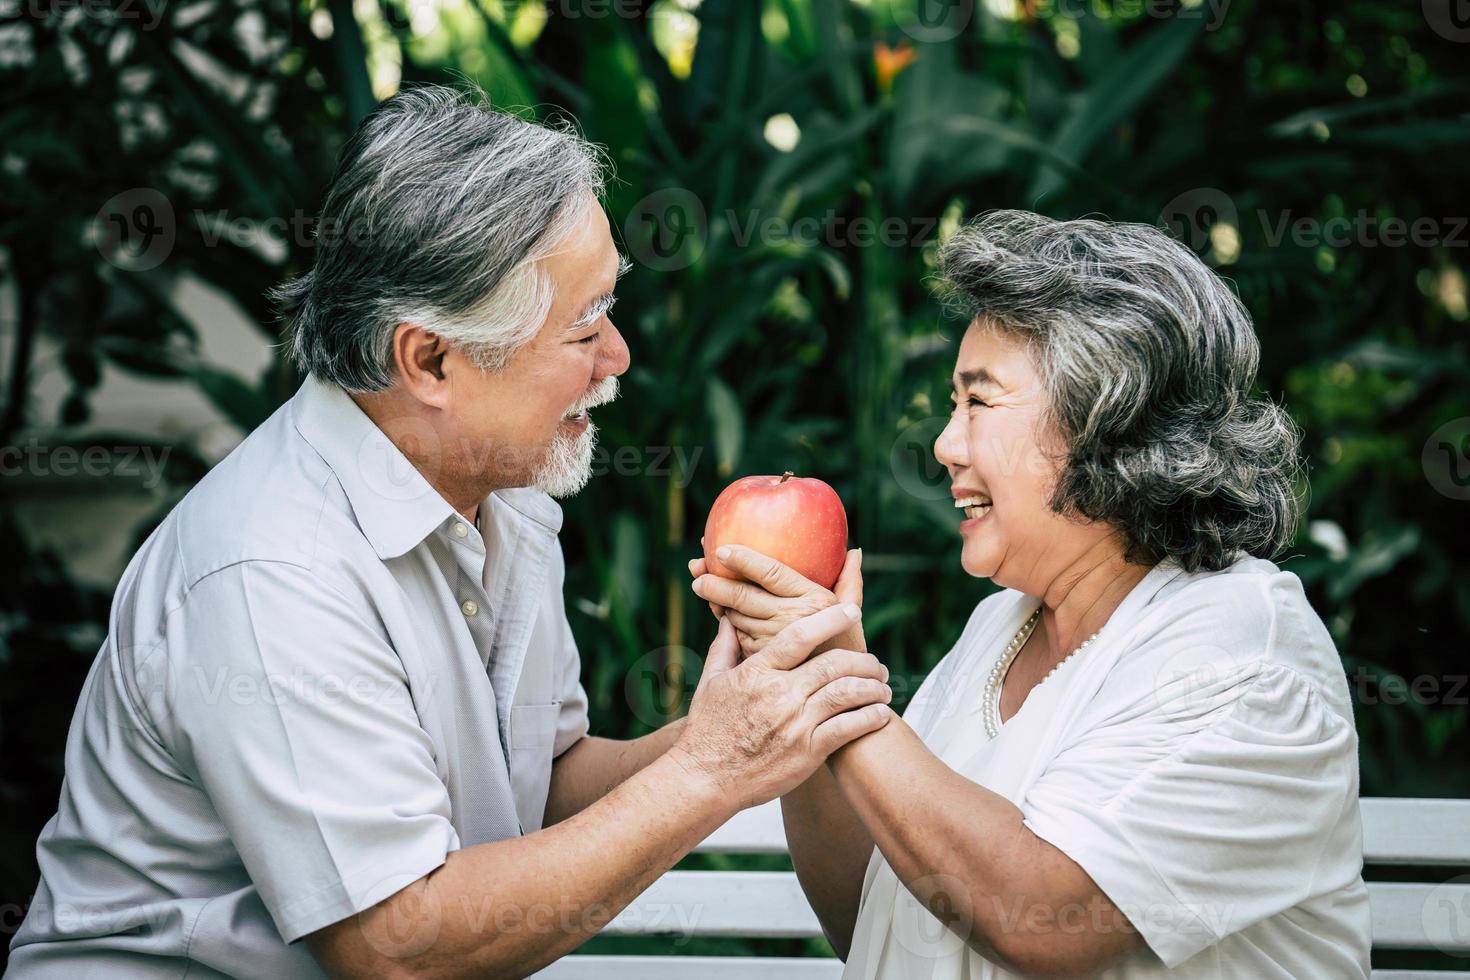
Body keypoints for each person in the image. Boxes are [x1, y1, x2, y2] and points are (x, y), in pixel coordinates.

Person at [5, 86, 894, 979]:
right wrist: (712, 767)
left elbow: (541, 789)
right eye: (583, 329)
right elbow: (395, 950)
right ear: (430, 360)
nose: (619, 356)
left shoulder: (497, 494)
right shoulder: (273, 571)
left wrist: (758, 719)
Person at [691, 211, 1372, 978]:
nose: (946, 445)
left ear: (1110, 420)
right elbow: (877, 918)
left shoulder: (1243, 656)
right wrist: (797, 682)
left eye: (978, 402)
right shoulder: (1001, 624)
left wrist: (839, 692)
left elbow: (1043, 919)